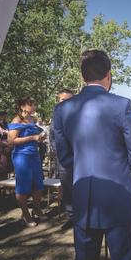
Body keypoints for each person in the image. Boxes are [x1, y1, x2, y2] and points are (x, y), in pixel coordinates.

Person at [53, 49, 131, 260]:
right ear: (109, 75)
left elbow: (64, 158)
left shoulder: (63, 110)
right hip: (118, 194)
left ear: (83, 76)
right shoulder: (121, 104)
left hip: (83, 195)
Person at [8, 97, 47, 228]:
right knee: (24, 186)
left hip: (34, 155)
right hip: (22, 157)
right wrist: (32, 137)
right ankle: (25, 214)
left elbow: (35, 137)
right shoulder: (16, 120)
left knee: (38, 184)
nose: (34, 106)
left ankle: (36, 209)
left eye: (34, 104)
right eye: (32, 104)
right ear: (23, 106)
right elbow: (12, 141)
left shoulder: (31, 120)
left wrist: (40, 138)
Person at [49, 88, 74, 230]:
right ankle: (71, 216)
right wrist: (59, 152)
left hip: (81, 159)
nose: (64, 102)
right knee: (67, 189)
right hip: (63, 159)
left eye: (68, 100)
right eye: (62, 100)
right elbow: (52, 136)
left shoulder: (78, 115)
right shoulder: (56, 115)